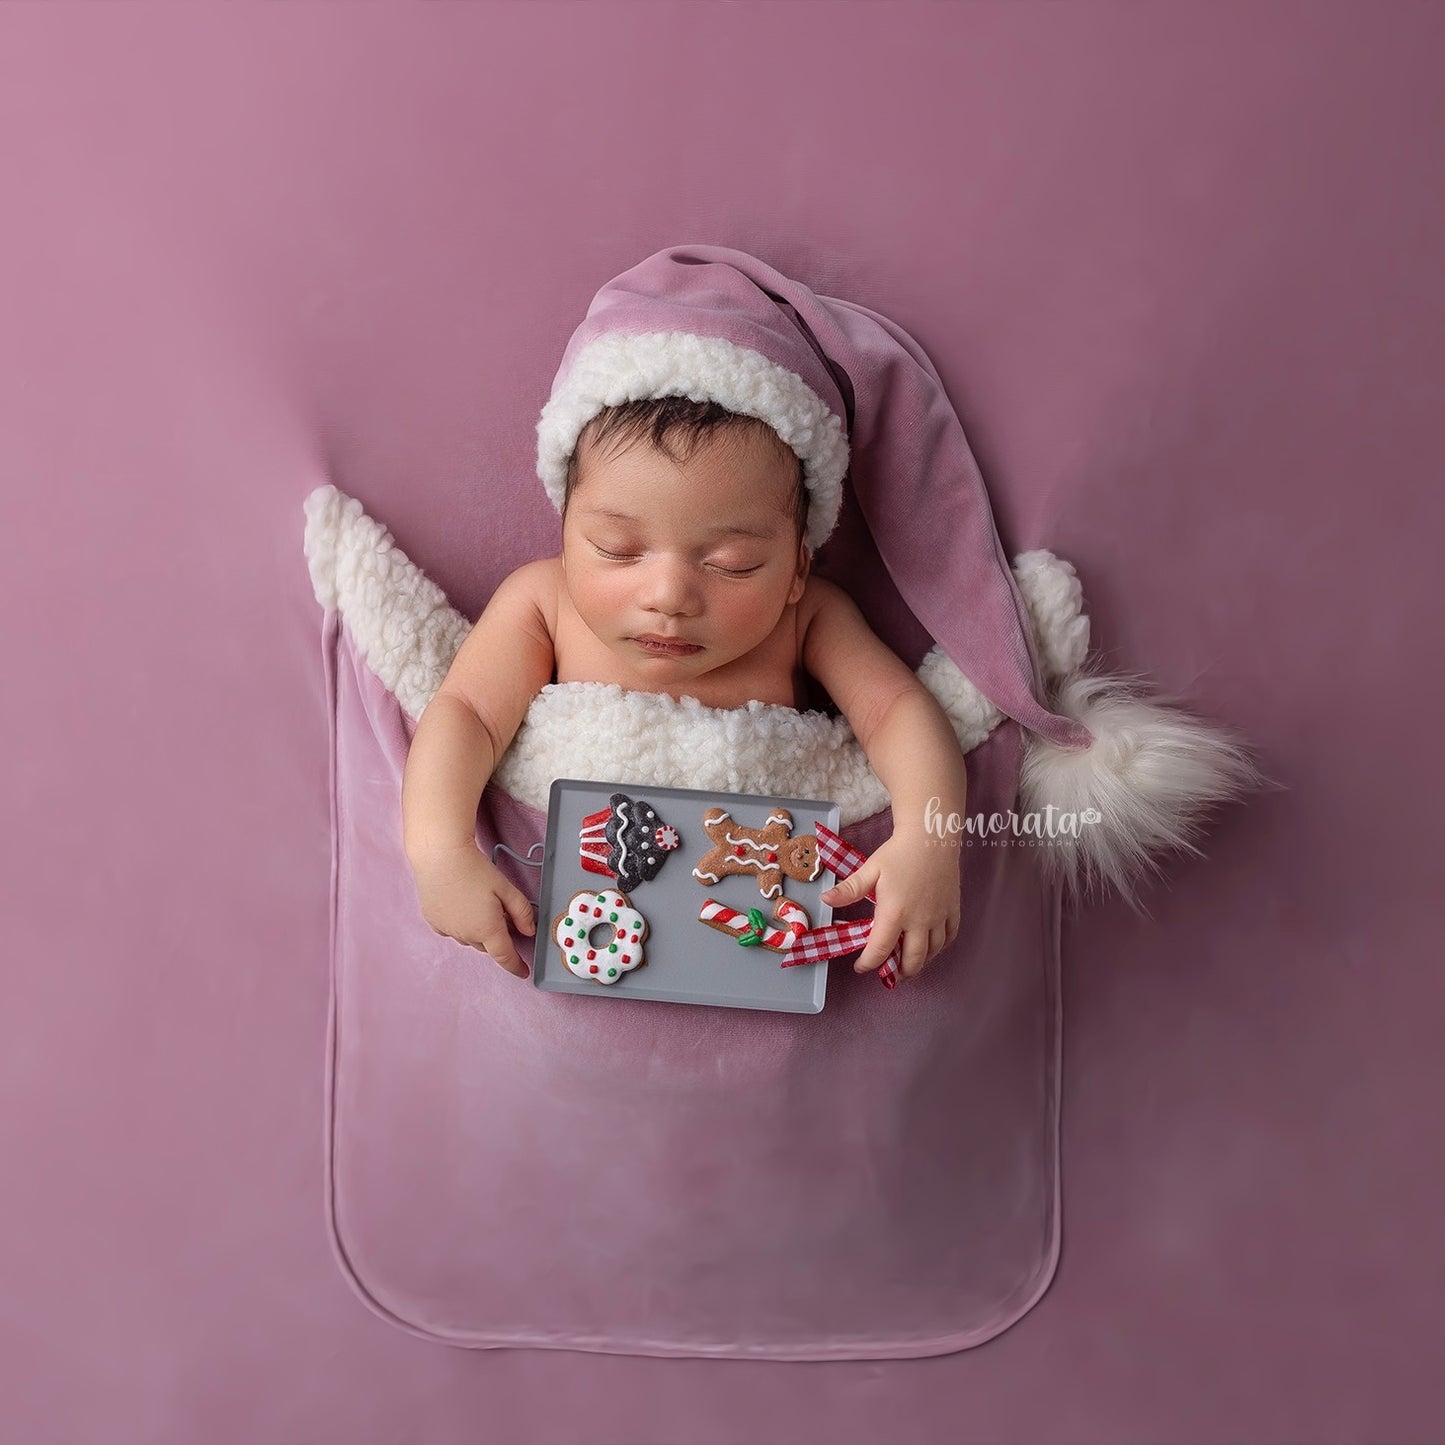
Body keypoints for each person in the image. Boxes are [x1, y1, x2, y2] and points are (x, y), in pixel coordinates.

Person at [401, 393, 968, 984]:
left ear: (798, 569)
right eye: (618, 550)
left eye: (733, 563)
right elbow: (467, 712)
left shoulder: (805, 618)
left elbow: (896, 710)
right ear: (566, 534)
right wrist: (439, 850)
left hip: (751, 935)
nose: (669, 596)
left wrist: (929, 840)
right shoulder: (543, 601)